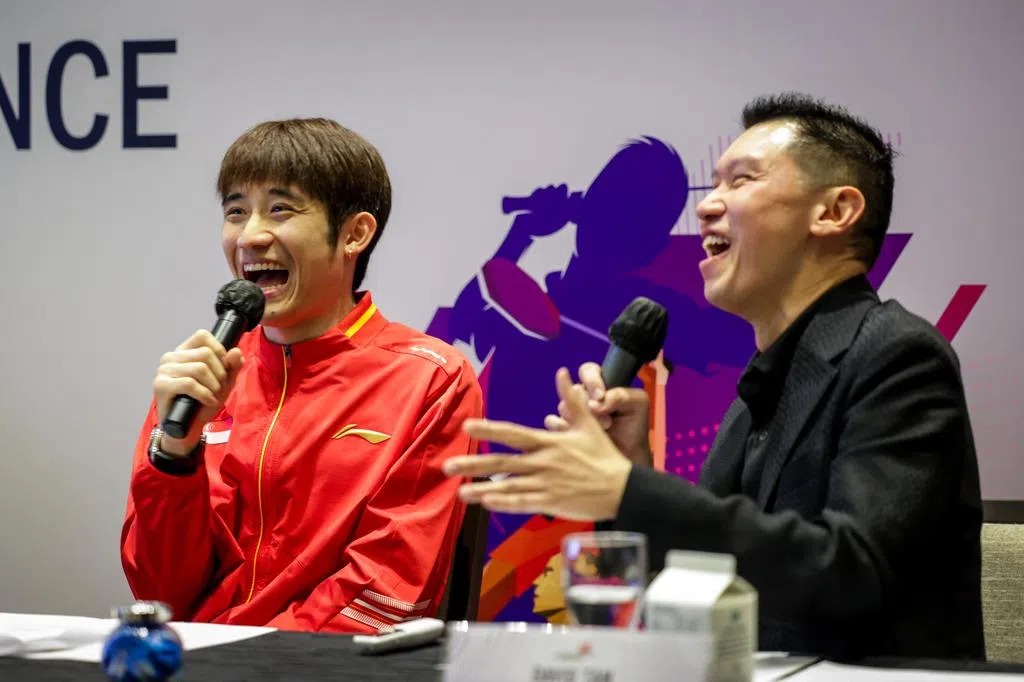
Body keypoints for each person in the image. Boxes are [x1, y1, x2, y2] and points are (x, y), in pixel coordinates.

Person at [443, 93, 986, 660]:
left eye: (741, 181)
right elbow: (701, 580)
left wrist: (629, 488)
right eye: (714, 185)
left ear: (834, 211)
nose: (707, 207)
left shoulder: (899, 355)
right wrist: (633, 470)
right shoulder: (758, 389)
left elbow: (856, 573)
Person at [120, 118, 484, 634]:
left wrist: (252, 658)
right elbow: (160, 593)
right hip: (197, 655)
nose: (250, 236)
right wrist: (175, 455)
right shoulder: (202, 376)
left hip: (324, 663)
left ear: (354, 234)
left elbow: (385, 592)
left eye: (280, 210)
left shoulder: (430, 380)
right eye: (236, 212)